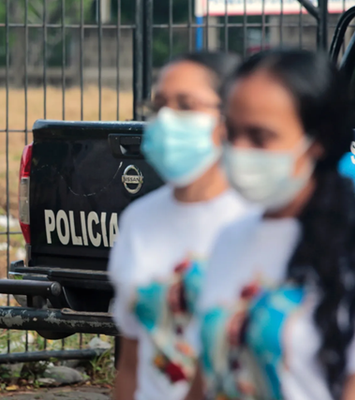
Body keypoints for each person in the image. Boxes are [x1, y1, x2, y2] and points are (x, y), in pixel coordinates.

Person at [187, 49, 355, 400]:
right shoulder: (230, 238)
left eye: (260, 137)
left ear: (317, 141)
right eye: (232, 133)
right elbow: (206, 374)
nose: (239, 151)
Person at [108, 52, 252, 400]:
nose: (167, 120)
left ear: (229, 116)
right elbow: (131, 363)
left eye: (186, 105)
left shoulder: (254, 220)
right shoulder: (138, 221)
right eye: (159, 107)